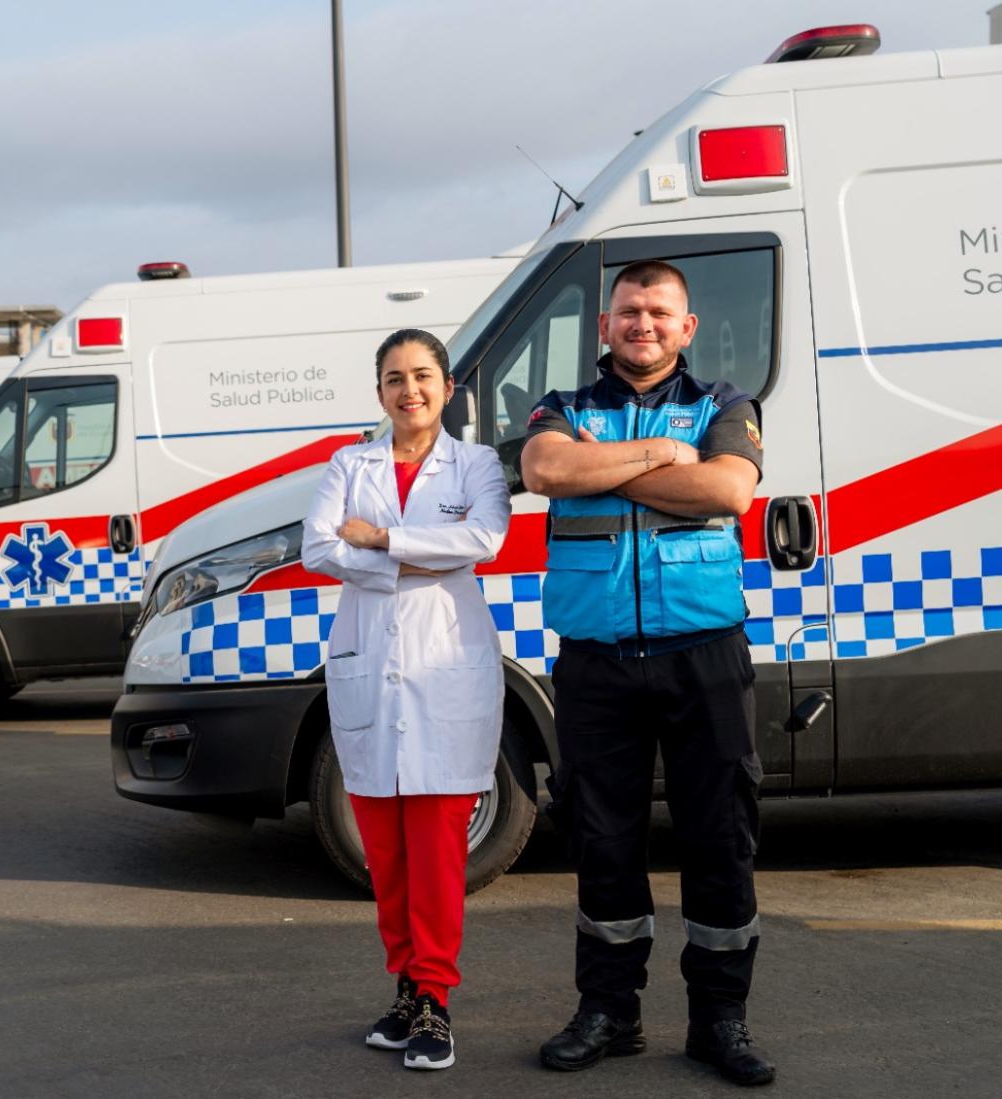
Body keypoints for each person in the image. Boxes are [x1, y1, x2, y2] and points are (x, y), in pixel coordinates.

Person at [520, 261, 775, 1086]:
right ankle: (609, 1012)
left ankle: (720, 1021)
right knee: (602, 840)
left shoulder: (726, 405)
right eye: (629, 311)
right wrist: (666, 457)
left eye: (660, 312)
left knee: (719, 839)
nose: (644, 324)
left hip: (702, 656)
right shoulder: (563, 412)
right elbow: (547, 472)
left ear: (687, 327)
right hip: (597, 664)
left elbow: (729, 489)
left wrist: (619, 466)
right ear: (605, 326)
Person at [301, 328, 511, 1072]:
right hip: (370, 666)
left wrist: (382, 538)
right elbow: (317, 546)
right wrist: (419, 554)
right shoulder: (348, 463)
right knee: (384, 856)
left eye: (423, 375)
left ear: (448, 388)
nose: (409, 390)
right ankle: (406, 985)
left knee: (437, 853)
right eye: (394, 378)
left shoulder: (477, 463)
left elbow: (483, 539)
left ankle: (436, 1001)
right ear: (380, 391)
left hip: (446, 668)